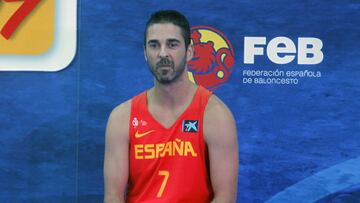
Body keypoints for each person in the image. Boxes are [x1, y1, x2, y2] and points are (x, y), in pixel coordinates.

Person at [104, 10, 238, 203]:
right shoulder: (122, 117)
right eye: (154, 45)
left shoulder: (215, 116)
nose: (163, 53)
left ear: (189, 51)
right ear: (145, 53)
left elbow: (225, 198)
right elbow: (112, 197)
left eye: (172, 44)